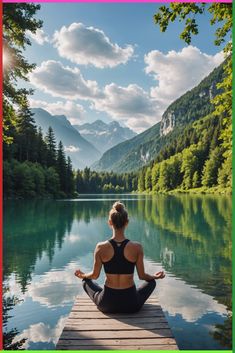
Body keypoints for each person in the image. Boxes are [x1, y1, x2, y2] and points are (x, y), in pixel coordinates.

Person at [74, 201, 165, 313]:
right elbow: (142, 276)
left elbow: (94, 275)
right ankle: (133, 294)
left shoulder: (100, 247)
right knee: (151, 282)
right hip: (131, 304)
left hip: (107, 304)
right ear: (127, 223)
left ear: (109, 223)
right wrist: (155, 276)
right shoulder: (137, 247)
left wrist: (82, 275)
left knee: (86, 281)